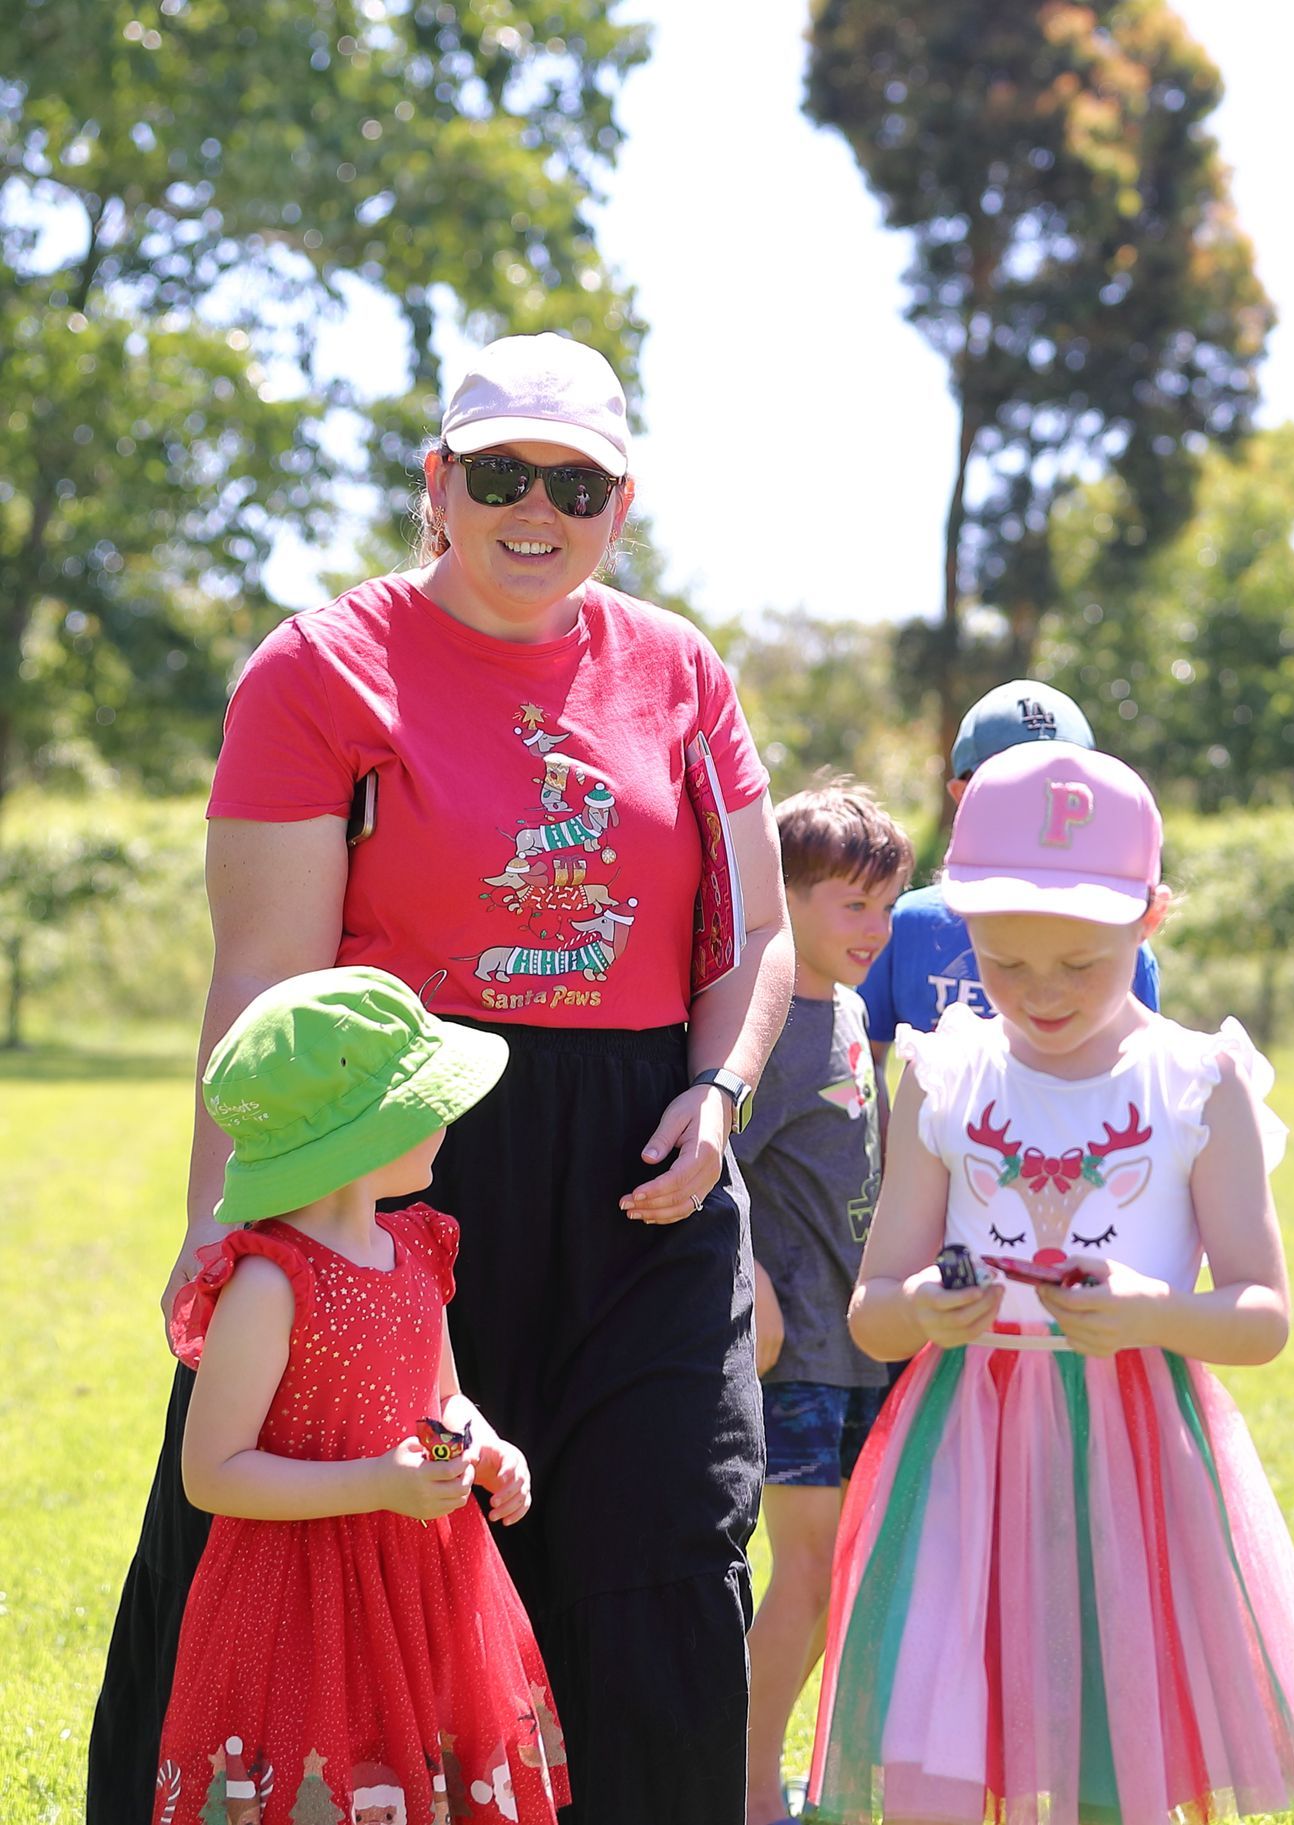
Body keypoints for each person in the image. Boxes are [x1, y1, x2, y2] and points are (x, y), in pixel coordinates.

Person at [91, 332, 795, 1825]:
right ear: (438, 482)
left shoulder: (681, 671)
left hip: (644, 1175)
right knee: (364, 1564)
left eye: (577, 481)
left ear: (623, 499)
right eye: (500, 473)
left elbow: (760, 934)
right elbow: (261, 982)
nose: (536, 507)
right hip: (396, 1158)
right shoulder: (318, 669)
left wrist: (719, 1092)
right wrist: (236, 1227)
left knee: (664, 1544)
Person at [805, 744, 1294, 1824]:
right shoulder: (941, 1070)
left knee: (1120, 1745)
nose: (1041, 990)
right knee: (952, 1739)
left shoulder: (1200, 1082)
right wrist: (925, 1306)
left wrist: (1153, 1313)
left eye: (1079, 960)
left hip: (1137, 1456)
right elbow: (873, 1314)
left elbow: (1264, 1315)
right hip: (963, 1448)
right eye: (1006, 961)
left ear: (1150, 917)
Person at [152, 966, 566, 1825]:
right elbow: (212, 1471)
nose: (448, 1118)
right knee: (324, 1785)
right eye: (429, 1101)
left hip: (422, 1577)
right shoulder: (271, 1281)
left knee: (421, 1783)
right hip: (299, 1596)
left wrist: (484, 1446)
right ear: (362, 1135)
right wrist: (375, 1482)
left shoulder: (412, 1249)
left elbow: (442, 1400)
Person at [735, 783, 913, 1825]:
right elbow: (722, 1171)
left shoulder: (847, 1012)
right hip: (797, 1349)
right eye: (852, 904)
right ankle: (750, 1792)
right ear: (784, 896)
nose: (876, 929)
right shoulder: (769, 1027)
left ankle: (806, 1779)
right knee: (802, 1573)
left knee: (844, 1574)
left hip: (863, 1341)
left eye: (886, 905)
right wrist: (749, 1283)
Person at [859, 679, 1159, 1073]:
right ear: (960, 795)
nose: (1039, 797)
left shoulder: (1120, 938)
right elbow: (863, 1063)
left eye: (1078, 965)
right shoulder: (905, 924)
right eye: (1007, 781)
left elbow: (1140, 1071)